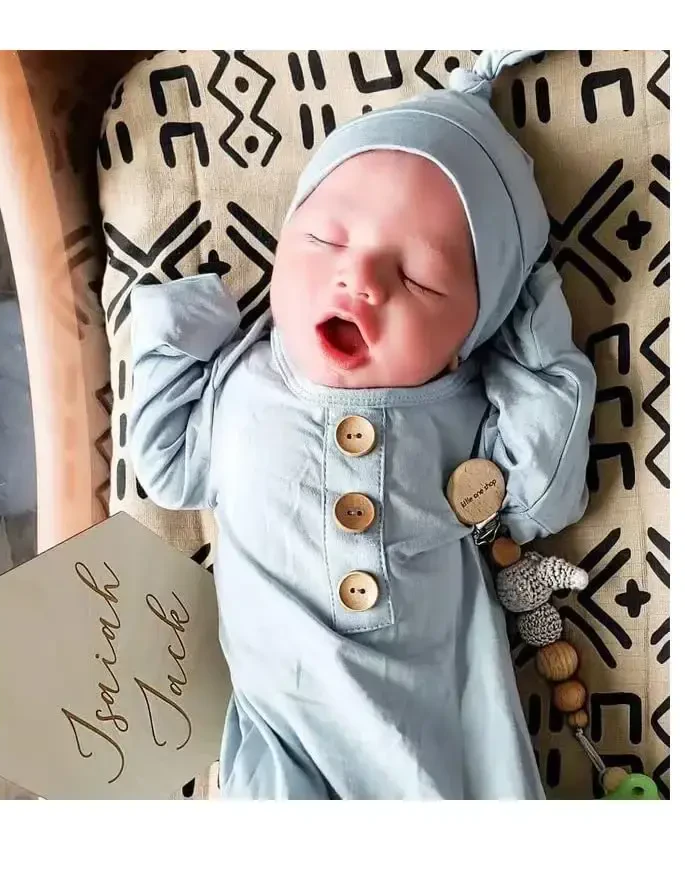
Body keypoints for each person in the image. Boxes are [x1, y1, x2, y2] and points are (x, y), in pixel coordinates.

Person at [128, 50, 596, 799]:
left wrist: (532, 328)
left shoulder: (461, 404)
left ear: (469, 335)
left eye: (420, 278)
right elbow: (164, 467)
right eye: (326, 239)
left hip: (444, 740)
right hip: (282, 741)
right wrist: (177, 326)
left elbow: (543, 497)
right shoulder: (240, 383)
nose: (361, 279)